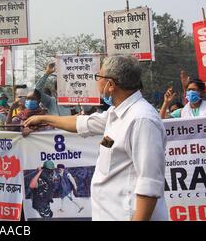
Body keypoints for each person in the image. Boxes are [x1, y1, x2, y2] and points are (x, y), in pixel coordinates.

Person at [24, 55, 168, 221]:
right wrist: (44, 118)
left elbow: (149, 185)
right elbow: (83, 123)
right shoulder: (116, 113)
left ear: (111, 85)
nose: (96, 81)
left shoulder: (142, 120)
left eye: (98, 77)